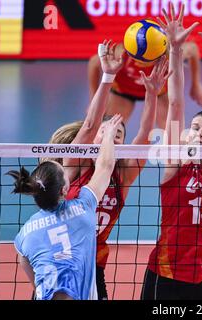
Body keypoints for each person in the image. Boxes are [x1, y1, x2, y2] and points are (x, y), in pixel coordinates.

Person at [141, 4, 202, 300]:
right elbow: (175, 104)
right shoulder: (175, 164)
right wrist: (174, 48)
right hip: (166, 273)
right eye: (195, 127)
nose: (199, 131)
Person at [63, 40, 171, 300]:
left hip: (94, 266)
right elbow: (90, 124)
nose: (114, 133)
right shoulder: (76, 164)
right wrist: (108, 75)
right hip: (60, 258)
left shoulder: (122, 177)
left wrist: (152, 93)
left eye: (119, 134)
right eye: (108, 130)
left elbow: (145, 133)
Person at [10, 114, 123, 300]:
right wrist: (109, 136)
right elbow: (105, 166)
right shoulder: (83, 208)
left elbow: (29, 268)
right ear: (65, 189)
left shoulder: (25, 234)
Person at [88, 37, 202, 129]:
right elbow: (94, 62)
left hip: (159, 90)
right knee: (110, 128)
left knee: (171, 131)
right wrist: (94, 100)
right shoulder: (122, 53)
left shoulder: (171, 54)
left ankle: (176, 160)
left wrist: (196, 84)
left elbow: (193, 49)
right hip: (124, 90)